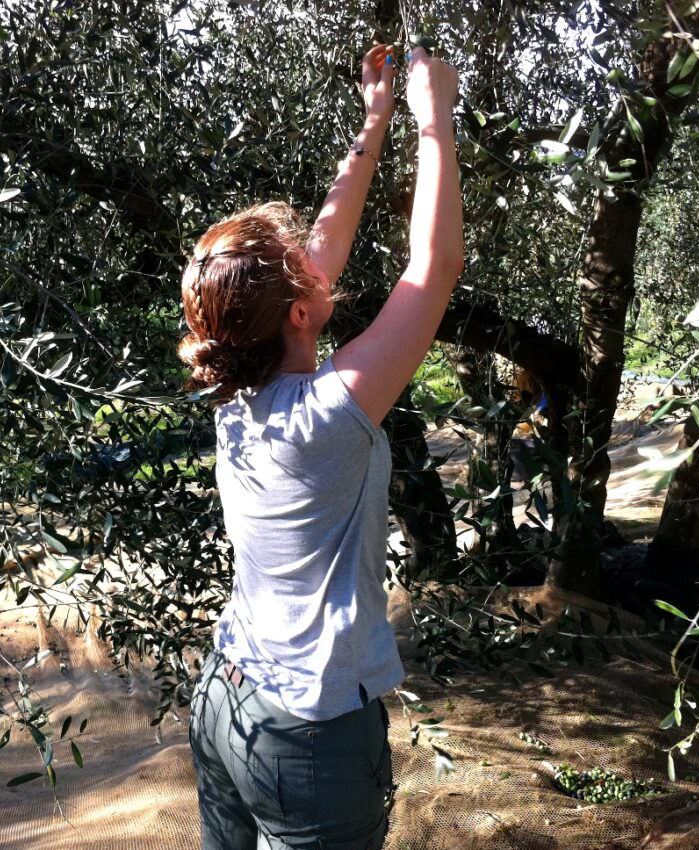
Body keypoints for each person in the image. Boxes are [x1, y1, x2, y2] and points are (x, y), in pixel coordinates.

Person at [178, 42, 463, 850]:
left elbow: (323, 252)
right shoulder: (325, 416)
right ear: (298, 315)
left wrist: (374, 124)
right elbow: (434, 269)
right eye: (301, 272)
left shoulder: (231, 385)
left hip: (226, 702)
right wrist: (433, 118)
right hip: (307, 737)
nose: (317, 263)